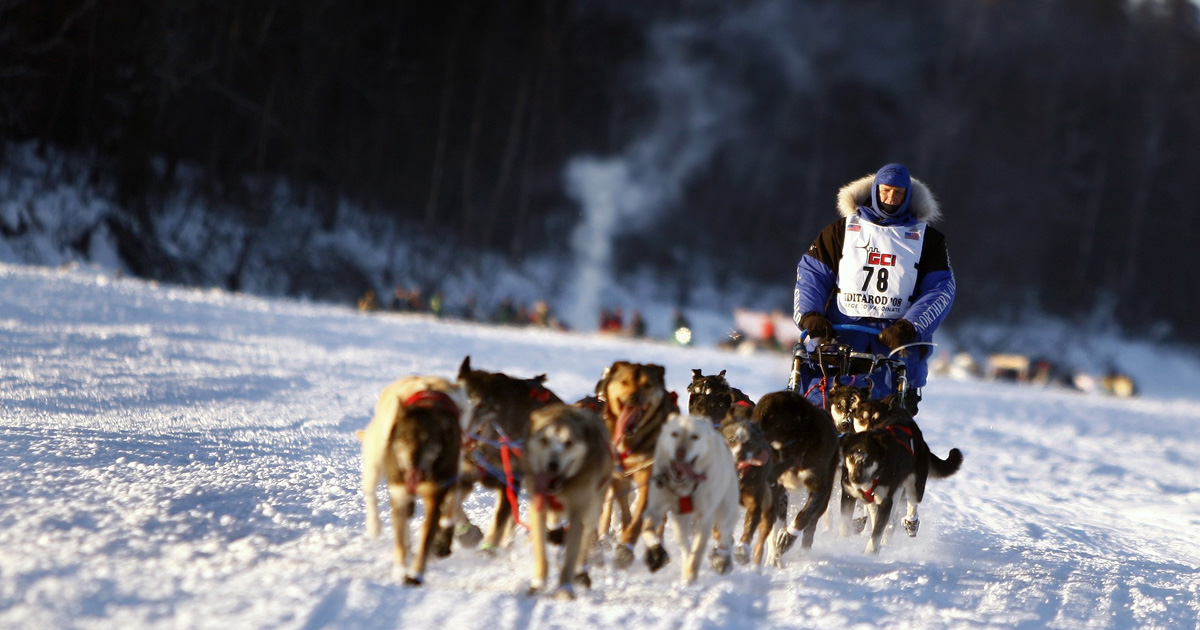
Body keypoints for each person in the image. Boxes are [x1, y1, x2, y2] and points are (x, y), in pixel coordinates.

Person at [793, 164, 955, 414]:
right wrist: (810, 315)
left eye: (898, 193)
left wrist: (910, 327)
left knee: (883, 423)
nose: (891, 198)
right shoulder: (841, 230)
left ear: (908, 195)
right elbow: (812, 275)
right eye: (886, 190)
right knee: (820, 410)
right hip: (840, 336)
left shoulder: (928, 240)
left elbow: (940, 290)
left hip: (895, 342)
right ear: (875, 189)